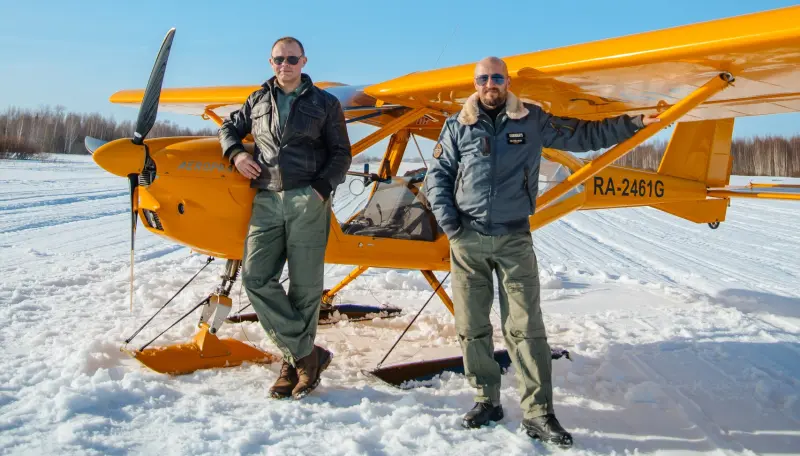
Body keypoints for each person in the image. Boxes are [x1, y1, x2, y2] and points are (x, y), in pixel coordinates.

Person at [424, 56, 659, 446]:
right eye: (483, 78)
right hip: (468, 239)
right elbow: (438, 176)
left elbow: (583, 135)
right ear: (475, 84)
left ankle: (538, 413)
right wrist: (451, 224)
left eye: (496, 77)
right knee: (471, 325)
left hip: (514, 237)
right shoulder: (457, 125)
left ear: (507, 81)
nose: (490, 84)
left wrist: (633, 124)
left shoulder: (531, 119)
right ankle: (486, 400)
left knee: (526, 328)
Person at [218, 37, 352, 400]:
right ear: (271, 61)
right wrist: (236, 154)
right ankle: (307, 355)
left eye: (292, 58)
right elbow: (228, 128)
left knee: (305, 287)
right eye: (279, 59)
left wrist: (320, 189)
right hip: (267, 197)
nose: (285, 64)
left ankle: (291, 366)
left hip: (307, 197)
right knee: (255, 277)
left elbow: (342, 152)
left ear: (304, 61)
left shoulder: (325, 103)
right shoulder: (257, 99)